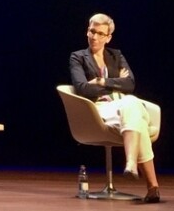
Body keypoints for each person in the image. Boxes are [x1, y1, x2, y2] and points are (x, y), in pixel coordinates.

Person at [69, 13, 162, 204]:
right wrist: (116, 82)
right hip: (99, 109)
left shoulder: (116, 55)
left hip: (123, 105)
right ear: (87, 31)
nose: (94, 37)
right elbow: (82, 88)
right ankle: (150, 184)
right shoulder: (78, 57)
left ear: (108, 37)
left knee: (131, 103)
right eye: (92, 31)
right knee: (136, 114)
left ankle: (132, 164)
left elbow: (130, 84)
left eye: (100, 33)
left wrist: (102, 81)